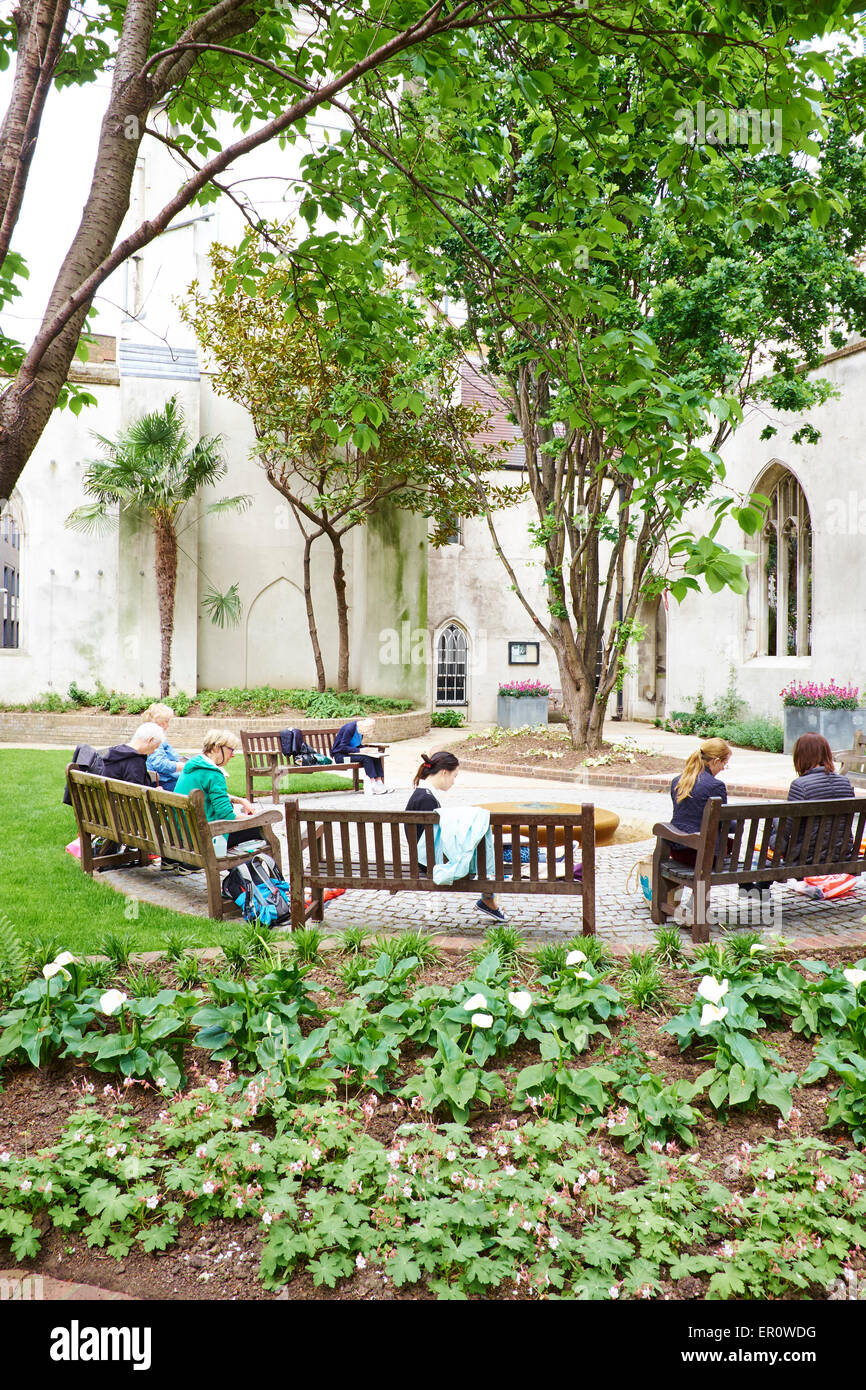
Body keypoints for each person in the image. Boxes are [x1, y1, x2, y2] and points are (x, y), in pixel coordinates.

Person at [405, 750, 507, 922]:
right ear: (444, 772)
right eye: (454, 776)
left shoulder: (422, 794)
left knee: (480, 847)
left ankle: (488, 898)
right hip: (429, 863)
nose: (454, 782)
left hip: (424, 859)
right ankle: (488, 899)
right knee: (483, 851)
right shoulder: (427, 799)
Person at [668, 736, 761, 906]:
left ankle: (745, 885)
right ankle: (695, 905)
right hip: (701, 856)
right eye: (724, 764)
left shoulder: (678, 780)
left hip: (676, 850)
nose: (723, 768)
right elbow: (723, 824)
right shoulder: (715, 786)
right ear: (716, 761)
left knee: (727, 843)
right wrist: (736, 823)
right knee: (728, 843)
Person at [173, 730, 264, 854]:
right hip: (203, 837)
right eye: (231, 750)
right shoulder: (213, 774)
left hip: (181, 833)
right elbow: (227, 816)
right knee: (260, 828)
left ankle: (238, 870)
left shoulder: (194, 765)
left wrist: (240, 800)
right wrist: (257, 818)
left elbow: (208, 794)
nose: (233, 755)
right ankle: (238, 871)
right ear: (217, 747)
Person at [780, 733, 856, 861]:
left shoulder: (800, 785)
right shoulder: (845, 783)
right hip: (842, 856)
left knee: (777, 825)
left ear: (800, 756)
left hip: (807, 859)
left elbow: (787, 830)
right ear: (827, 754)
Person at [332, 717, 391, 794]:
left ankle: (379, 783)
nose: (365, 734)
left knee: (375, 756)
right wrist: (360, 750)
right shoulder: (350, 729)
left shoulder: (360, 730)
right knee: (366, 758)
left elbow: (357, 745)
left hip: (350, 754)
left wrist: (367, 749)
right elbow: (342, 747)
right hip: (341, 756)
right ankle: (373, 784)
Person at [142, 702, 186, 793]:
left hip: (167, 782)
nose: (168, 725)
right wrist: (184, 766)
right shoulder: (153, 739)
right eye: (166, 721)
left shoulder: (151, 736)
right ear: (158, 723)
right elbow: (160, 764)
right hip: (164, 784)